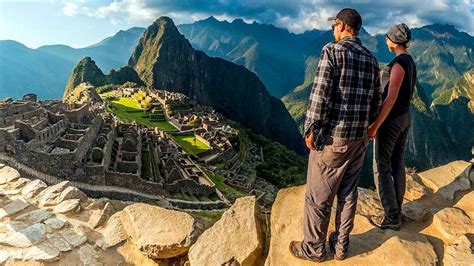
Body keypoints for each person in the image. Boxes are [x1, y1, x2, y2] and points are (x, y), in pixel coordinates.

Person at [289, 8, 383, 262]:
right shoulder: (372, 60)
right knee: (348, 192)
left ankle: (314, 250)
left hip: (334, 138)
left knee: (318, 197)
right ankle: (341, 248)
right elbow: (376, 102)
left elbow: (320, 95)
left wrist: (311, 128)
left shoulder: (331, 51)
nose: (333, 30)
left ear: (342, 26)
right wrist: (366, 127)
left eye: (334, 26)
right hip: (359, 138)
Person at [369, 23, 417, 230]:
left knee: (381, 165)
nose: (385, 40)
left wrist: (375, 125)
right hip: (405, 117)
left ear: (393, 41)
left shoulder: (398, 64)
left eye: (387, 38)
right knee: (397, 163)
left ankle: (391, 216)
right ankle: (396, 210)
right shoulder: (410, 61)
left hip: (392, 120)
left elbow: (391, 98)